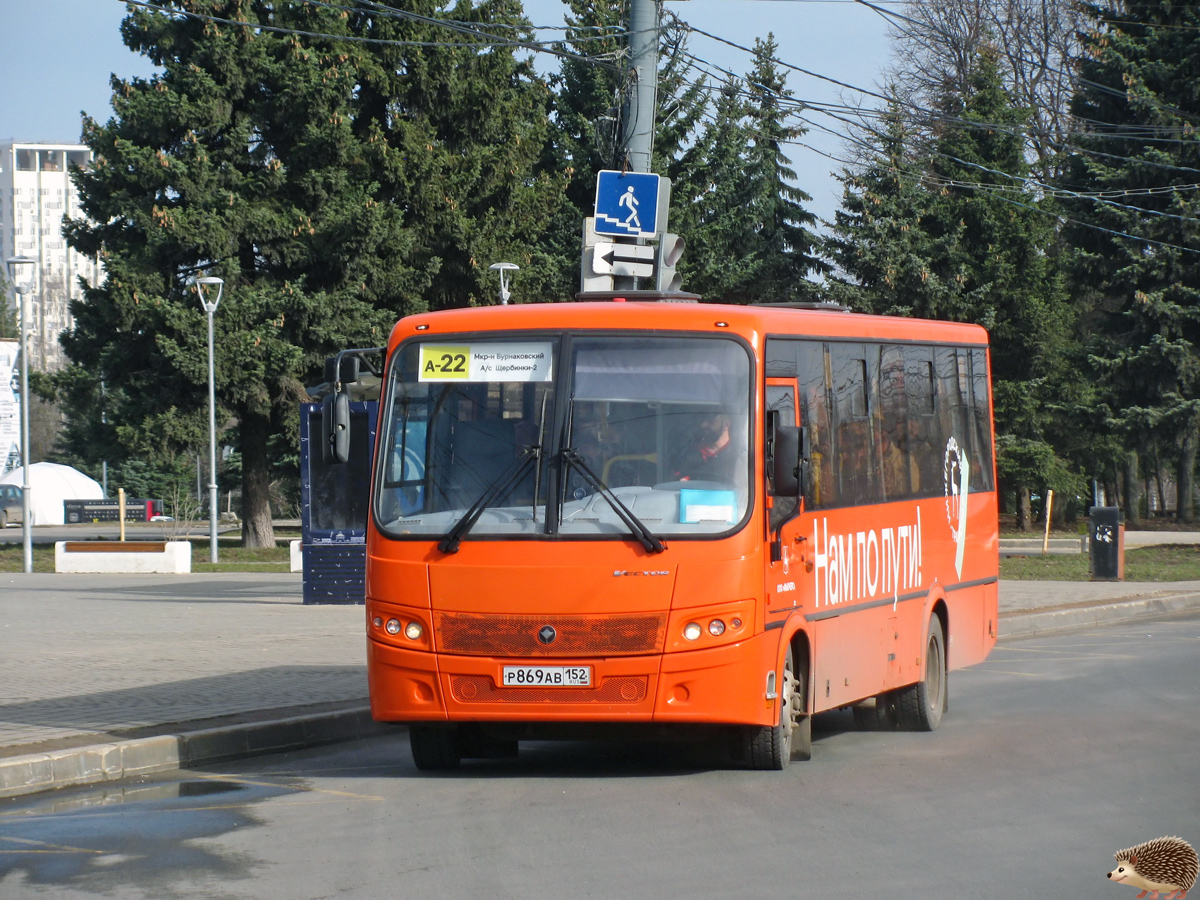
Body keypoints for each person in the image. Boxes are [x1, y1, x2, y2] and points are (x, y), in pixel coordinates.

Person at [672, 413, 737, 483]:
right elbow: (675, 483)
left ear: (726, 425)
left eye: (711, 421)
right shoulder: (687, 454)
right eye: (702, 420)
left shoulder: (739, 455)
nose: (703, 425)